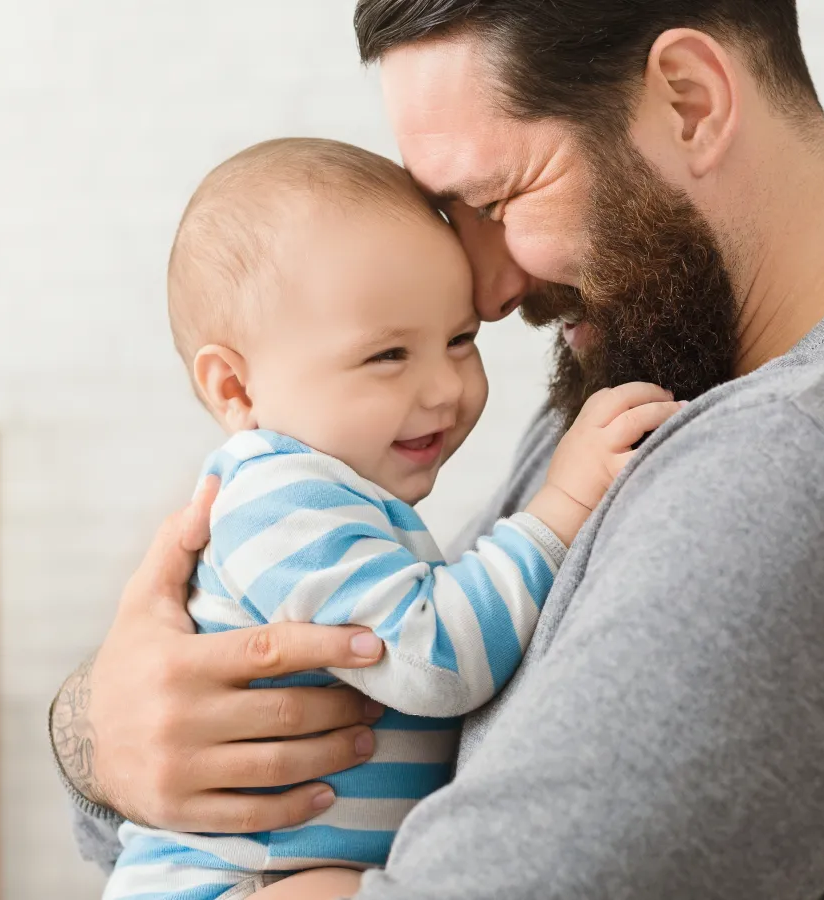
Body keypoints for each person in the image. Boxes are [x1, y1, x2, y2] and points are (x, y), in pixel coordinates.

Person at [52, 3, 824, 898]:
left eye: (495, 203)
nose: (485, 293)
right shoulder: (657, 368)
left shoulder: (806, 465)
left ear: (689, 101)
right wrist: (106, 736)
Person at [100, 138, 681, 900]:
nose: (444, 387)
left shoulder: (336, 498)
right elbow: (434, 655)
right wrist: (561, 508)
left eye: (459, 340)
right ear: (235, 388)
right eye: (387, 357)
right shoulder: (281, 503)